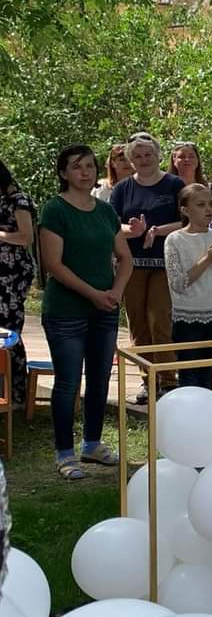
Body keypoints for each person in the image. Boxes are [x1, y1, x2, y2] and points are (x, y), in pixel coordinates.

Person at [38, 145, 133, 479]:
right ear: (64, 173)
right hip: (66, 311)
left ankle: (92, 443)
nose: (86, 172)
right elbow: (54, 264)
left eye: (91, 166)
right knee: (67, 383)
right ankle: (64, 453)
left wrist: (115, 293)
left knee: (99, 379)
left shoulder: (106, 212)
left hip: (105, 308)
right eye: (77, 167)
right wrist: (93, 294)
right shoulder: (55, 210)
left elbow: (125, 257)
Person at [110, 134, 183, 401]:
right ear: (130, 159)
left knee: (159, 321)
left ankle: (167, 380)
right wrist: (134, 230)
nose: (143, 160)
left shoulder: (174, 184)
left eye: (148, 154)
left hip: (165, 264)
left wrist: (157, 230)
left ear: (158, 155)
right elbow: (111, 225)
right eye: (137, 156)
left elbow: (188, 221)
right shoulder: (122, 189)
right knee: (138, 325)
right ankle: (146, 380)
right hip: (132, 265)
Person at [164, 183, 212, 389]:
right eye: (201, 205)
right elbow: (178, 283)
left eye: (210, 204)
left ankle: (209, 416)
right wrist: (207, 258)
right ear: (185, 210)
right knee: (189, 374)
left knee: (210, 374)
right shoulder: (174, 240)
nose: (208, 210)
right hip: (188, 318)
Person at [0, 159, 36, 407]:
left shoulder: (18, 200)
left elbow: (26, 236)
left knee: (8, 330)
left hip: (12, 271)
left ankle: (16, 394)